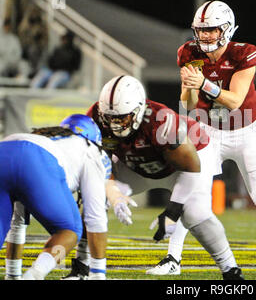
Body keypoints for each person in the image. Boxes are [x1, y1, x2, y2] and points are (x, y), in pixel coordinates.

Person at [146, 0, 256, 280]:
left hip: (246, 131)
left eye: (212, 30)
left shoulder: (244, 53)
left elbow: (236, 101)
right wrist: (190, 87)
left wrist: (203, 84)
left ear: (226, 29)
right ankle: (172, 258)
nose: (205, 36)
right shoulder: (188, 53)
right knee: (191, 196)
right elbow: (188, 103)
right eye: (201, 30)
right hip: (208, 132)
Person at [63, 75, 244, 280]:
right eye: (110, 117)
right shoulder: (96, 118)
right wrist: (112, 190)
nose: (115, 124)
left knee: (195, 213)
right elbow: (99, 163)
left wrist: (172, 212)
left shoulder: (162, 122)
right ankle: (81, 268)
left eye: (122, 117)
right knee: (93, 194)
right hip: (137, 164)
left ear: (139, 110)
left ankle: (231, 271)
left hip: (189, 161)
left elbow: (190, 168)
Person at [0, 114, 111, 280]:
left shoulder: (44, 137)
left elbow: (17, 222)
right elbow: (95, 217)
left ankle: (14, 275)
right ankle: (33, 276)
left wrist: (12, 274)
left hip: (5, 146)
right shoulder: (90, 148)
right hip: (37, 160)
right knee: (70, 230)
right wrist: (97, 273)